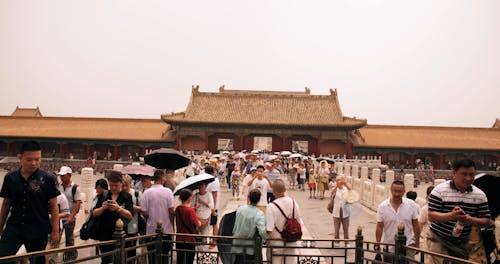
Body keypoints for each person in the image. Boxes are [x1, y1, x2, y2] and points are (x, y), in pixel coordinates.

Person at [0, 141, 60, 264]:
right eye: (29, 160)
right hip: (15, 226)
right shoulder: (10, 178)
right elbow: (6, 204)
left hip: (38, 228)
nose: (34, 163)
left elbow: (54, 206)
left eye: (37, 159)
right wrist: (0, 226)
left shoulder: (47, 179)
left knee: (38, 260)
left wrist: (55, 231)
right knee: (4, 258)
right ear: (20, 158)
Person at [427, 159, 491, 263]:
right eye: (464, 174)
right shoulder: (439, 191)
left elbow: (486, 221)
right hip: (439, 238)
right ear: (454, 173)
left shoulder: (480, 195)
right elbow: (431, 216)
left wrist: (470, 220)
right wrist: (452, 216)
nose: (468, 178)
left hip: (463, 241)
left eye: (472, 174)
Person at [93, 171, 133, 264]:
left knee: (120, 259)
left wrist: (118, 209)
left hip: (121, 234)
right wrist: (103, 208)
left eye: (116, 185)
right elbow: (94, 213)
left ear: (121, 184)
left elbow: (130, 215)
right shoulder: (103, 195)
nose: (114, 188)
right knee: (105, 259)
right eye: (111, 185)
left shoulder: (127, 196)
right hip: (104, 233)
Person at [375, 180, 420, 263]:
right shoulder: (382, 206)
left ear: (404, 192)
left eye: (399, 191)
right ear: (391, 190)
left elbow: (416, 225)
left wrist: (417, 243)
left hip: (408, 245)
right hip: (389, 246)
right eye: (395, 191)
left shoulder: (411, 205)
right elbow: (379, 226)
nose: (397, 194)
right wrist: (377, 243)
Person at [141, 169, 176, 264]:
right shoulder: (168, 192)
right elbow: (171, 210)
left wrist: (152, 215)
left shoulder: (146, 193)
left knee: (152, 256)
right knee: (164, 256)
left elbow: (144, 211)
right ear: (162, 178)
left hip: (151, 230)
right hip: (166, 229)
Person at [266, 179, 302, 263]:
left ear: (273, 191)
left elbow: (269, 228)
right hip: (291, 241)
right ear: (285, 190)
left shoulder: (271, 206)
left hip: (276, 242)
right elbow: (299, 223)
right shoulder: (294, 203)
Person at [231, 189, 268, 263]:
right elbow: (262, 230)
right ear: (259, 199)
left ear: (248, 197)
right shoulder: (259, 214)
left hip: (237, 243)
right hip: (250, 247)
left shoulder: (240, 209)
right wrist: (264, 239)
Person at [57, 165, 82, 261]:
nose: (62, 177)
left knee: (69, 238)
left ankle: (70, 255)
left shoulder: (75, 188)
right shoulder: (58, 186)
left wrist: (72, 216)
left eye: (64, 175)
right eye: (61, 175)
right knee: (56, 238)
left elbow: (77, 203)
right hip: (59, 216)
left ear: (69, 175)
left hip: (69, 216)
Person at [175, 189, 202, 264]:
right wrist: (199, 220)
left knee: (180, 260)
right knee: (189, 260)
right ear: (189, 198)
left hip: (179, 239)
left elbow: (183, 212)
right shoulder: (190, 211)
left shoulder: (177, 209)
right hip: (189, 239)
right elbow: (198, 224)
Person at [192, 182, 213, 248]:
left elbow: (211, 206)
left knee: (205, 234)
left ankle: (203, 250)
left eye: (202, 185)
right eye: (199, 186)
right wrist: (195, 208)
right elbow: (192, 206)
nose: (201, 187)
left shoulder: (209, 194)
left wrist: (203, 202)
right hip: (197, 217)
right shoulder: (195, 195)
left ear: (205, 186)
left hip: (206, 216)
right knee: (197, 234)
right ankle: (198, 249)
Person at [330, 175, 352, 241]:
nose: (339, 181)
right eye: (337, 180)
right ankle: (336, 240)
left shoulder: (345, 189)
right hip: (336, 210)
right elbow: (332, 193)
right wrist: (337, 186)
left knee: (346, 227)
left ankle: (346, 241)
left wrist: (345, 184)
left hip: (345, 210)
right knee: (336, 227)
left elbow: (351, 191)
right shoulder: (334, 189)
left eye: (340, 180)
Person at [418, 185, 434, 263]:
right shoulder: (424, 209)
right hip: (428, 241)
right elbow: (419, 226)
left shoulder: (441, 208)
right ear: (428, 196)